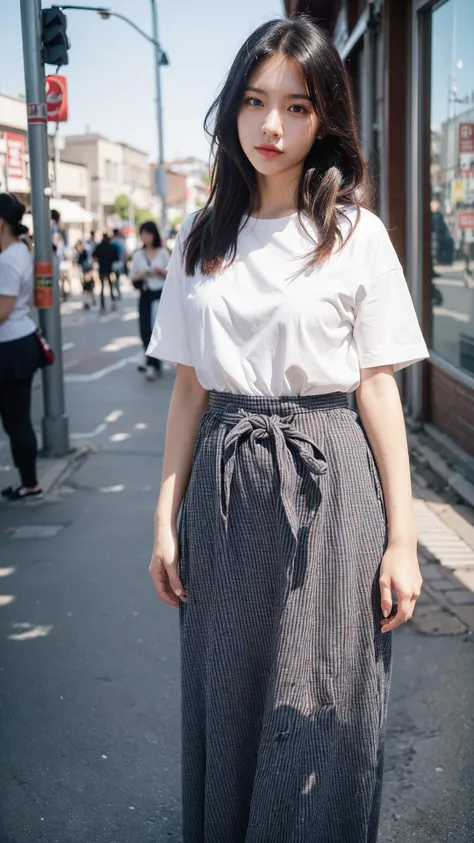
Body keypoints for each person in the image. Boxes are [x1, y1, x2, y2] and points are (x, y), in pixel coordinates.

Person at [147, 16, 430, 843]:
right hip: (225, 486)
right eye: (253, 101)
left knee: (327, 695)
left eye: (297, 106)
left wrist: (404, 539)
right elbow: (189, 391)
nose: (271, 127)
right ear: (231, 111)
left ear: (325, 118)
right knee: (227, 687)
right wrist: (163, 519)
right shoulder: (203, 239)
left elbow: (377, 390)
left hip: (332, 478)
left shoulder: (354, 233)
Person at [0, 193, 42, 501]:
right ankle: (29, 481)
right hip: (20, 342)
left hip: (10, 346)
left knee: (16, 422)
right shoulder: (19, 252)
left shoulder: (8, 260)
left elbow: (2, 310)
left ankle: (29, 483)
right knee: (18, 419)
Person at [131, 221, 169, 381]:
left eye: (147, 233)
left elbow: (173, 276)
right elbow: (132, 277)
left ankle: (153, 363)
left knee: (157, 331)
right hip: (145, 294)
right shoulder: (138, 255)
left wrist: (161, 272)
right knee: (145, 330)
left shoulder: (163, 253)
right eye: (142, 234)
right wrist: (141, 275)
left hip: (160, 295)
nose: (144, 237)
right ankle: (152, 363)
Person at [93, 232, 119, 314]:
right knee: (111, 287)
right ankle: (113, 303)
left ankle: (102, 306)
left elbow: (94, 256)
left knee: (102, 288)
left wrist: (98, 261)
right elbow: (116, 258)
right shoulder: (111, 247)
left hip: (102, 269)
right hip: (110, 270)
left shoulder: (99, 246)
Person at [110, 228, 126, 299]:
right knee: (117, 278)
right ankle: (118, 291)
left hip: (113, 263)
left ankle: (115, 291)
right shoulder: (120, 241)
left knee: (114, 278)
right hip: (119, 262)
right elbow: (124, 252)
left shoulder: (111, 241)